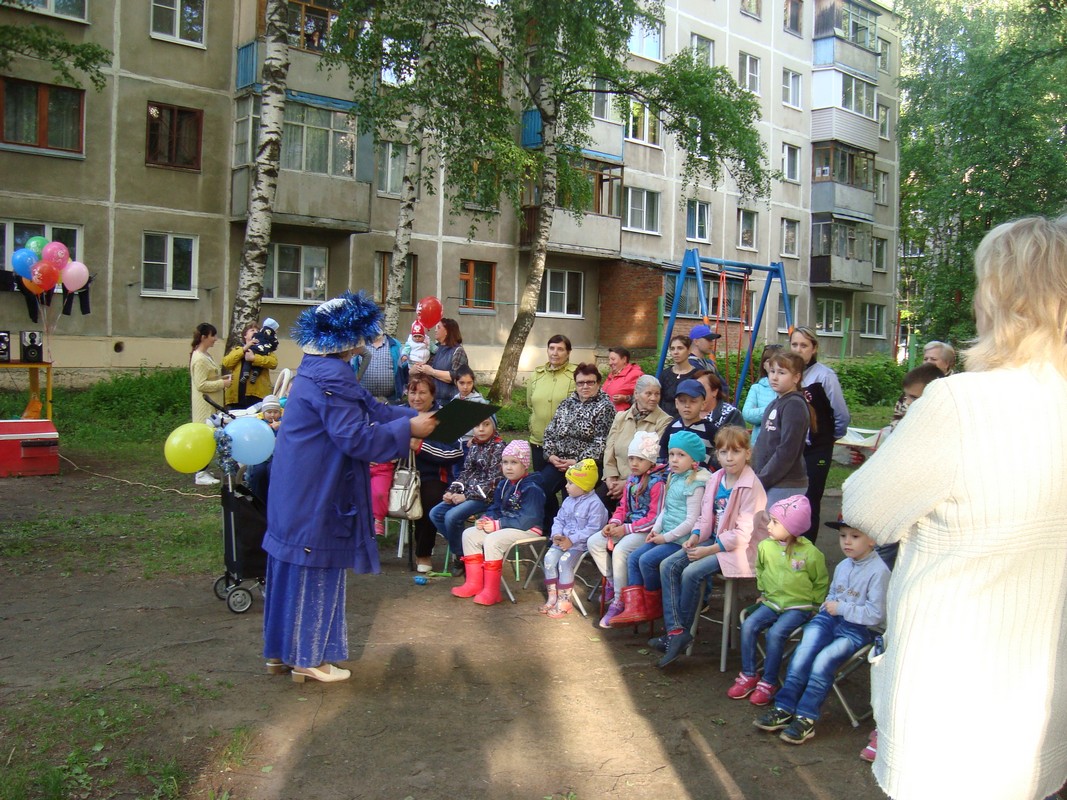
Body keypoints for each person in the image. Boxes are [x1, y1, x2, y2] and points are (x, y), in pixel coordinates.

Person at [842, 216, 1067, 800]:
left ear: (998, 296)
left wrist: (899, 437)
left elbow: (866, 507)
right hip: (1038, 696)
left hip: (953, 689)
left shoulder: (958, 402)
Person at [261, 291, 437, 683]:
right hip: (317, 488)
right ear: (348, 336)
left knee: (289, 565)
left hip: (298, 485)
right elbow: (355, 437)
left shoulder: (316, 367)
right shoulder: (333, 375)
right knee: (316, 564)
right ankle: (308, 657)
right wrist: (408, 427)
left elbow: (372, 409)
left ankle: (280, 652)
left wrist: (414, 416)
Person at [754, 516, 888, 744]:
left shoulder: (879, 572)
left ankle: (806, 718)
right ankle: (784, 707)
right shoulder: (844, 564)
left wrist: (841, 607)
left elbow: (876, 614)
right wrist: (831, 606)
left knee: (822, 661)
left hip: (857, 628)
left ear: (872, 540)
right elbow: (833, 594)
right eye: (843, 536)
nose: (847, 542)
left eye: (855, 536)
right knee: (803, 653)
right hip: (830, 617)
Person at [655, 426, 767, 667]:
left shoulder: (752, 486)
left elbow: (743, 535)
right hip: (713, 540)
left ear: (747, 454)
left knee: (691, 571)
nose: (729, 457)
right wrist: (695, 536)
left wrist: (708, 549)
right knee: (668, 565)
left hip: (737, 550)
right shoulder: (716, 478)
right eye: (723, 452)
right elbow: (706, 516)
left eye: (735, 452)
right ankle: (676, 632)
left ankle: (679, 632)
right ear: (716, 454)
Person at [727, 495, 828, 707]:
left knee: (775, 633)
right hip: (771, 602)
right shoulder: (766, 546)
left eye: (775, 522)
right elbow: (761, 569)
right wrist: (763, 591)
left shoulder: (811, 553)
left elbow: (820, 580)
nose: (768, 525)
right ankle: (748, 674)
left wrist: (814, 605)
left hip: (798, 606)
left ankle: (769, 681)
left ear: (793, 527)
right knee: (748, 625)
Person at [609, 431, 711, 628]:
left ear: (694, 460)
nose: (674, 459)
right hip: (666, 534)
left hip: (681, 539)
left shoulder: (695, 483)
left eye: (681, 455)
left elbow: (691, 521)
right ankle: (637, 606)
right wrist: (656, 529)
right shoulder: (674, 476)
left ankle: (656, 605)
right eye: (672, 454)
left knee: (647, 560)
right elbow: (665, 509)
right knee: (633, 557)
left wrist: (665, 537)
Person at [451, 439, 546, 606]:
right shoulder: (503, 485)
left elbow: (527, 519)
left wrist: (498, 525)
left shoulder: (533, 488)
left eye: (514, 462)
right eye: (505, 462)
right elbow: (495, 508)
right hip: (506, 525)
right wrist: (487, 519)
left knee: (492, 539)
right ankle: (474, 584)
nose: (508, 467)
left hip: (528, 529)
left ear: (525, 465)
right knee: (469, 535)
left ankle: (492, 591)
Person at [591, 431, 668, 627]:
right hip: (627, 527)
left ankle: (619, 600)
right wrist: (614, 523)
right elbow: (623, 507)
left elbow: (655, 518)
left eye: (640, 459)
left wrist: (625, 529)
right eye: (631, 458)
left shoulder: (657, 483)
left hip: (646, 532)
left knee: (621, 550)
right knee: (594, 542)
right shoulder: (631, 481)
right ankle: (612, 581)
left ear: (650, 461)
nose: (634, 463)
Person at [537, 363, 617, 533]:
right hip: (558, 460)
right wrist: (551, 455)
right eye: (581, 383)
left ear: (598, 383)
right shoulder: (567, 403)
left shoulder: (605, 407)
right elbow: (550, 430)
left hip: (584, 465)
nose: (585, 386)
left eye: (590, 382)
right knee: (539, 487)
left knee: (573, 496)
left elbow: (601, 442)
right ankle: (550, 527)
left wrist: (576, 462)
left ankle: (573, 537)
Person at [790, 326, 850, 541]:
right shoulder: (787, 375)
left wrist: (829, 438)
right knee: (791, 499)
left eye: (804, 345)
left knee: (810, 499)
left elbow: (841, 413)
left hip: (817, 447)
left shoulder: (825, 376)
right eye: (794, 344)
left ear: (813, 349)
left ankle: (807, 551)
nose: (798, 350)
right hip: (792, 448)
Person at [428, 415, 505, 564]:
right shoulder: (474, 446)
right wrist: (452, 491)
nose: (481, 429)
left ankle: (462, 557)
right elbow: (465, 473)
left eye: (486, 424)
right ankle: (465, 553)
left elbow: (493, 483)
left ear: (494, 427)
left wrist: (466, 496)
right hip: (468, 494)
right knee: (436, 513)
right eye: (477, 425)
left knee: (451, 516)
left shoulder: (499, 447)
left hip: (487, 497)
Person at [407, 374, 464, 573]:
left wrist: (420, 446)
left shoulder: (443, 417)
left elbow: (455, 452)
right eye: (413, 392)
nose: (417, 398)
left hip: (432, 476)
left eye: (423, 393)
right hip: (399, 475)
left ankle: (423, 553)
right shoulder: (400, 413)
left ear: (433, 395)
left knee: (429, 499)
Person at [540, 459, 608, 618]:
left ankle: (564, 601)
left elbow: (593, 529)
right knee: (549, 559)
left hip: (580, 545)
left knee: (564, 562)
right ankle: (552, 597)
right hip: (563, 540)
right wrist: (556, 534)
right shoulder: (568, 500)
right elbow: (559, 519)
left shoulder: (595, 505)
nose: (566, 486)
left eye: (570, 483)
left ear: (584, 486)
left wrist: (572, 539)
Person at [601, 375, 672, 510]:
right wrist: (610, 477)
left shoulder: (664, 421)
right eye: (648, 393)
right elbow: (609, 449)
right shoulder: (621, 417)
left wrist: (627, 483)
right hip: (615, 480)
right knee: (595, 506)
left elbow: (654, 458)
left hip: (643, 483)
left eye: (657, 394)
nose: (653, 398)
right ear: (636, 394)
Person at [752, 351, 813, 506]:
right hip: (768, 480)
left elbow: (787, 449)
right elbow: (762, 443)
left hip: (786, 483)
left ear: (796, 377)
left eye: (782, 372)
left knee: (772, 528)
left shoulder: (794, 405)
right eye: (772, 371)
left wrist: (764, 478)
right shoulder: (775, 403)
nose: (774, 377)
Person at [189, 322, 232, 486]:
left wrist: (221, 379)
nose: (215, 339)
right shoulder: (199, 358)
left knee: (210, 436)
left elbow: (210, 378)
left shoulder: (205, 355)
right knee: (205, 438)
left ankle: (203, 469)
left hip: (212, 403)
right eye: (212, 335)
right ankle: (200, 473)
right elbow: (201, 385)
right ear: (204, 337)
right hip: (205, 405)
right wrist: (223, 384)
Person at [526, 334, 577, 469]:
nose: (555, 353)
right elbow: (530, 403)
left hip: (566, 443)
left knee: (569, 486)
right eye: (551, 348)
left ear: (568, 352)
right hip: (539, 440)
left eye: (560, 349)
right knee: (541, 485)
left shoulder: (576, 375)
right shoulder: (537, 374)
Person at [693, 369, 745, 469]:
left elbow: (735, 449)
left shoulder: (731, 414)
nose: (697, 392)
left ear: (715, 391)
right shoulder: (688, 413)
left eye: (702, 388)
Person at [658, 379, 717, 468]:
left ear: (703, 404)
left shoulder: (710, 430)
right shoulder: (672, 426)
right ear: (676, 403)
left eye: (693, 401)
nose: (687, 406)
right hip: (673, 476)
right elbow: (663, 450)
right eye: (682, 401)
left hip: (699, 477)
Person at [222, 322, 279, 411]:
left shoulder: (266, 349)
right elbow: (226, 363)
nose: (255, 332)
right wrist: (244, 349)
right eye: (252, 330)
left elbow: (273, 363)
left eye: (257, 330)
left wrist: (254, 358)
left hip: (257, 396)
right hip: (236, 397)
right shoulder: (237, 349)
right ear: (245, 336)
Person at [412, 318, 467, 402]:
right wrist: (417, 368)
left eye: (438, 327)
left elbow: (458, 377)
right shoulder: (435, 348)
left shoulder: (458, 351)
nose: (435, 330)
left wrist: (432, 372)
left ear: (447, 331)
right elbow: (426, 368)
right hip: (432, 401)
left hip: (449, 402)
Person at [245, 394, 283, 504]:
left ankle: (274, 500)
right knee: (258, 472)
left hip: (278, 456)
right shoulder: (259, 423)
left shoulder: (283, 423)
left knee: (272, 471)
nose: (272, 415)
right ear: (264, 413)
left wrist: (280, 429)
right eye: (269, 412)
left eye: (275, 412)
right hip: (262, 457)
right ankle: (259, 500)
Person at [742, 344, 783, 444]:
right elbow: (747, 414)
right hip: (759, 443)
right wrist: (773, 409)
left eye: (776, 360)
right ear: (763, 365)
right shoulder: (757, 388)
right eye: (769, 361)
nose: (773, 365)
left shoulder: (787, 388)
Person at [888, 362, 944, 431]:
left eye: (913, 397)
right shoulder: (905, 404)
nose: (907, 402)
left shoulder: (941, 419)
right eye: (906, 395)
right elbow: (895, 426)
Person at [353, 330, 405, 405]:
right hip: (364, 400)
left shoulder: (395, 344)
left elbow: (404, 368)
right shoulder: (359, 344)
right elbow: (352, 368)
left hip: (390, 400)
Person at [659, 334, 698, 418]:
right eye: (672, 349)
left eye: (680, 348)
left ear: (689, 350)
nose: (675, 352)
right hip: (663, 420)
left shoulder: (697, 375)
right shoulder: (664, 374)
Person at [687, 323, 730, 398]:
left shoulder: (708, 363)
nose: (712, 343)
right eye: (708, 340)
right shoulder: (690, 364)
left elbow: (724, 387)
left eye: (712, 340)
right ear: (696, 341)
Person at [601, 346, 645, 412]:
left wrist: (626, 398)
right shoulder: (612, 375)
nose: (610, 363)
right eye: (609, 360)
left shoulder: (636, 374)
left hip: (623, 416)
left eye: (613, 359)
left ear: (624, 359)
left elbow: (644, 397)